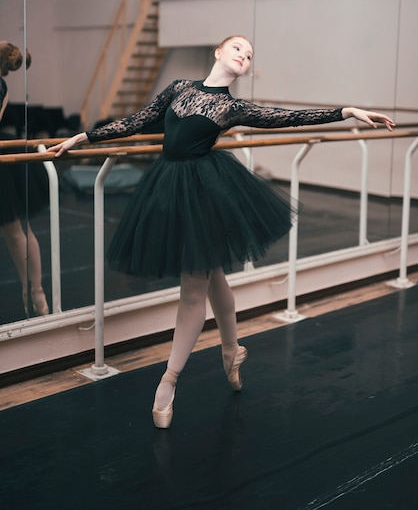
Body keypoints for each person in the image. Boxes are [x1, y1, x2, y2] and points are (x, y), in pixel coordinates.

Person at [49, 35, 395, 428]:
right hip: (168, 187)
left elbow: (290, 117)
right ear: (218, 52)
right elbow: (138, 121)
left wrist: (347, 110)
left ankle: (169, 380)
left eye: (249, 56)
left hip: (205, 193)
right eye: (238, 49)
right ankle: (231, 351)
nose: (244, 56)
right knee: (212, 272)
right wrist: (84, 137)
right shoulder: (179, 87)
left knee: (193, 290)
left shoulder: (233, 107)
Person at [0, 41, 49, 317]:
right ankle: (33, 290)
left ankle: (34, 290)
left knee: (14, 230)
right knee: (15, 231)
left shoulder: (0, 87)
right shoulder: (3, 87)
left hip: (3, 159)